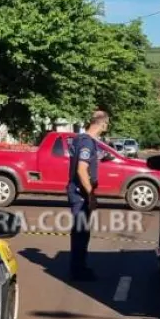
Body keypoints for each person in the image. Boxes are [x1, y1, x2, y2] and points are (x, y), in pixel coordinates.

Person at [67, 110, 110, 281]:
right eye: (107, 124)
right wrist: (91, 195)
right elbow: (81, 170)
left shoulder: (79, 139)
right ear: (103, 124)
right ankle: (78, 270)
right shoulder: (87, 143)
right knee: (80, 232)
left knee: (81, 232)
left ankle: (79, 267)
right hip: (80, 193)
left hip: (77, 191)